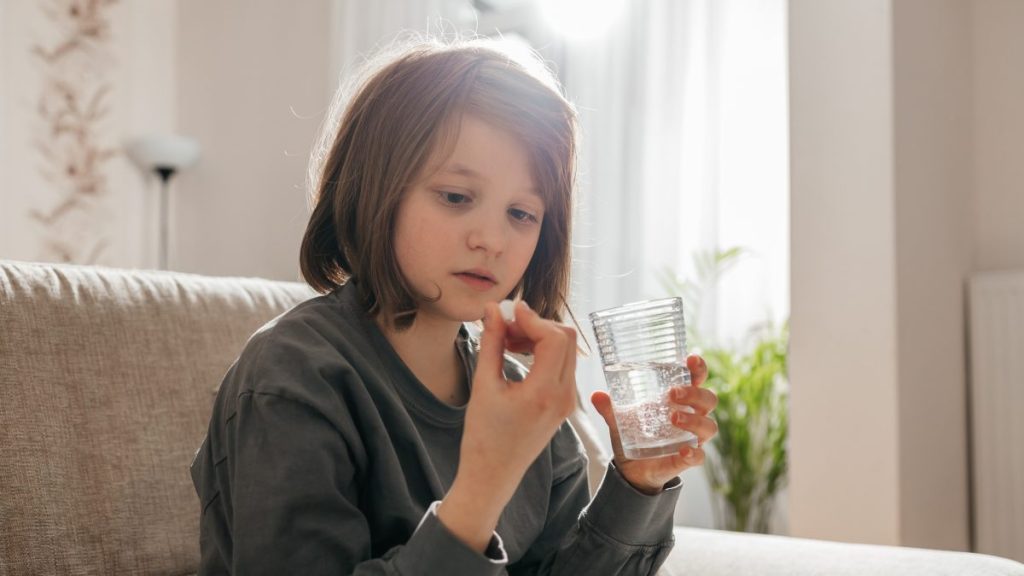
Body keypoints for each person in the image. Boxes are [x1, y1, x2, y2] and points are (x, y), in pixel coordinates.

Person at [190, 35, 719, 575]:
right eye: (456, 197)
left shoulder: (520, 395)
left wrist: (637, 482)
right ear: (375, 190)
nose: (492, 239)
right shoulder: (294, 376)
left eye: (522, 213)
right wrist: (485, 482)